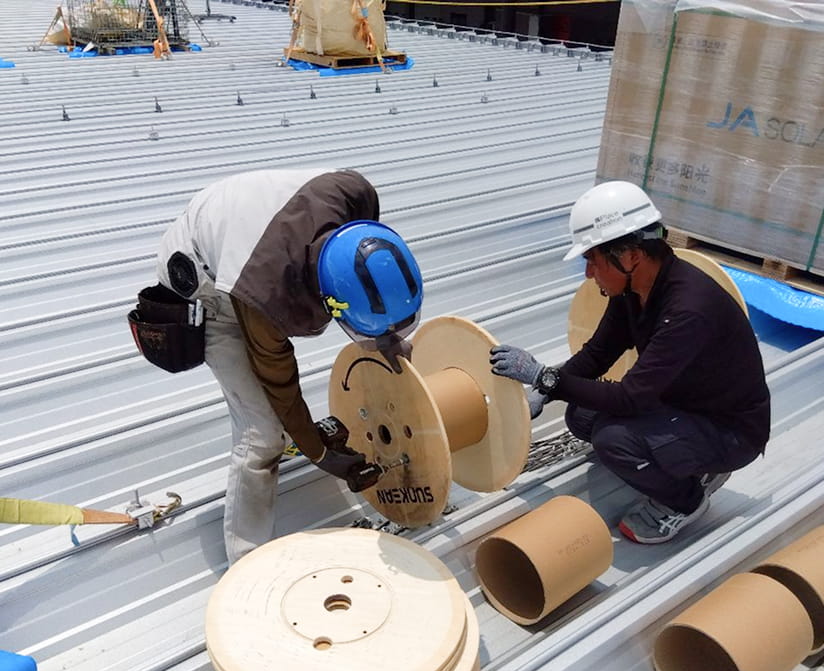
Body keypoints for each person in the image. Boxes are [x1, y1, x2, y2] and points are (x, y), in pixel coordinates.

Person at [155, 168, 423, 563]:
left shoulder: (357, 195)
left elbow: (368, 272)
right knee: (262, 434)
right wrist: (320, 454)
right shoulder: (267, 297)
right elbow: (279, 380)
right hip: (206, 284)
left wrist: (387, 335)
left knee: (281, 418)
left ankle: (293, 436)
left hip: (242, 238)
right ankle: (247, 562)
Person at [490, 180, 770, 544]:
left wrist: (546, 378)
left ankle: (686, 499)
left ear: (631, 256)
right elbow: (598, 353)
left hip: (729, 430)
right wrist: (546, 390)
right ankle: (684, 460)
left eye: (592, 260)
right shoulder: (635, 289)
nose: (589, 273)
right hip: (683, 403)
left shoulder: (687, 309)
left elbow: (631, 398)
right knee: (581, 414)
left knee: (612, 439)